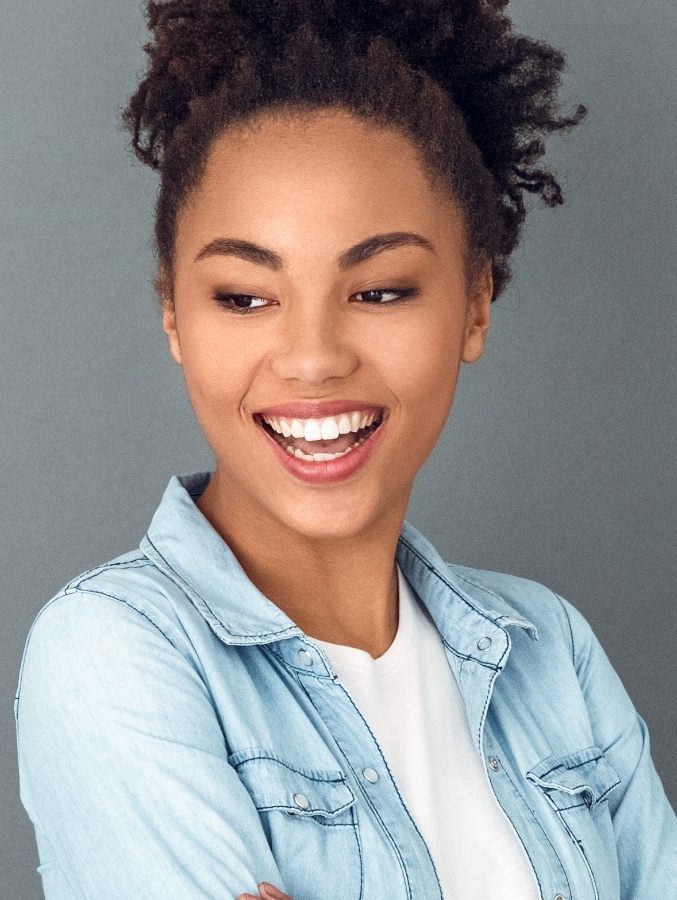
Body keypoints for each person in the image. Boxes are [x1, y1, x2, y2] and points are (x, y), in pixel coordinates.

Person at [14, 0, 677, 898]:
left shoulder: (548, 652)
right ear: (172, 312)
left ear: (475, 301)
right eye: (244, 297)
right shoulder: (116, 655)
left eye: (382, 290)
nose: (314, 358)